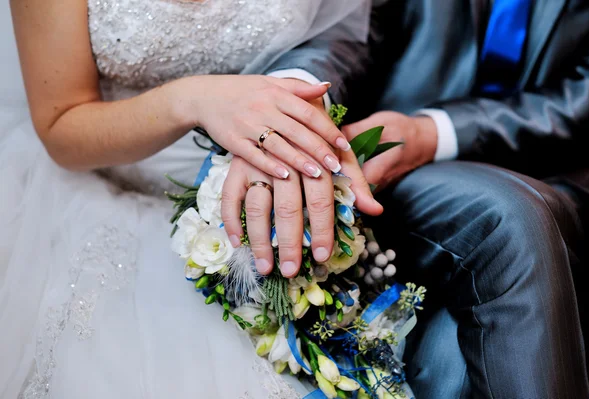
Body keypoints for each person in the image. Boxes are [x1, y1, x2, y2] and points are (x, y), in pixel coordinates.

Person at [0, 0, 380, 397]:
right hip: (111, 192)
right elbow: (62, 127)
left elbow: (338, 29)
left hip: (262, 198)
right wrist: (192, 100)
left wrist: (294, 108)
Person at [245, 0, 589, 397]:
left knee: (451, 357)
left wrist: (432, 134)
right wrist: (298, 102)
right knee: (512, 219)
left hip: (558, 174)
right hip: (382, 158)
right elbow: (347, 27)